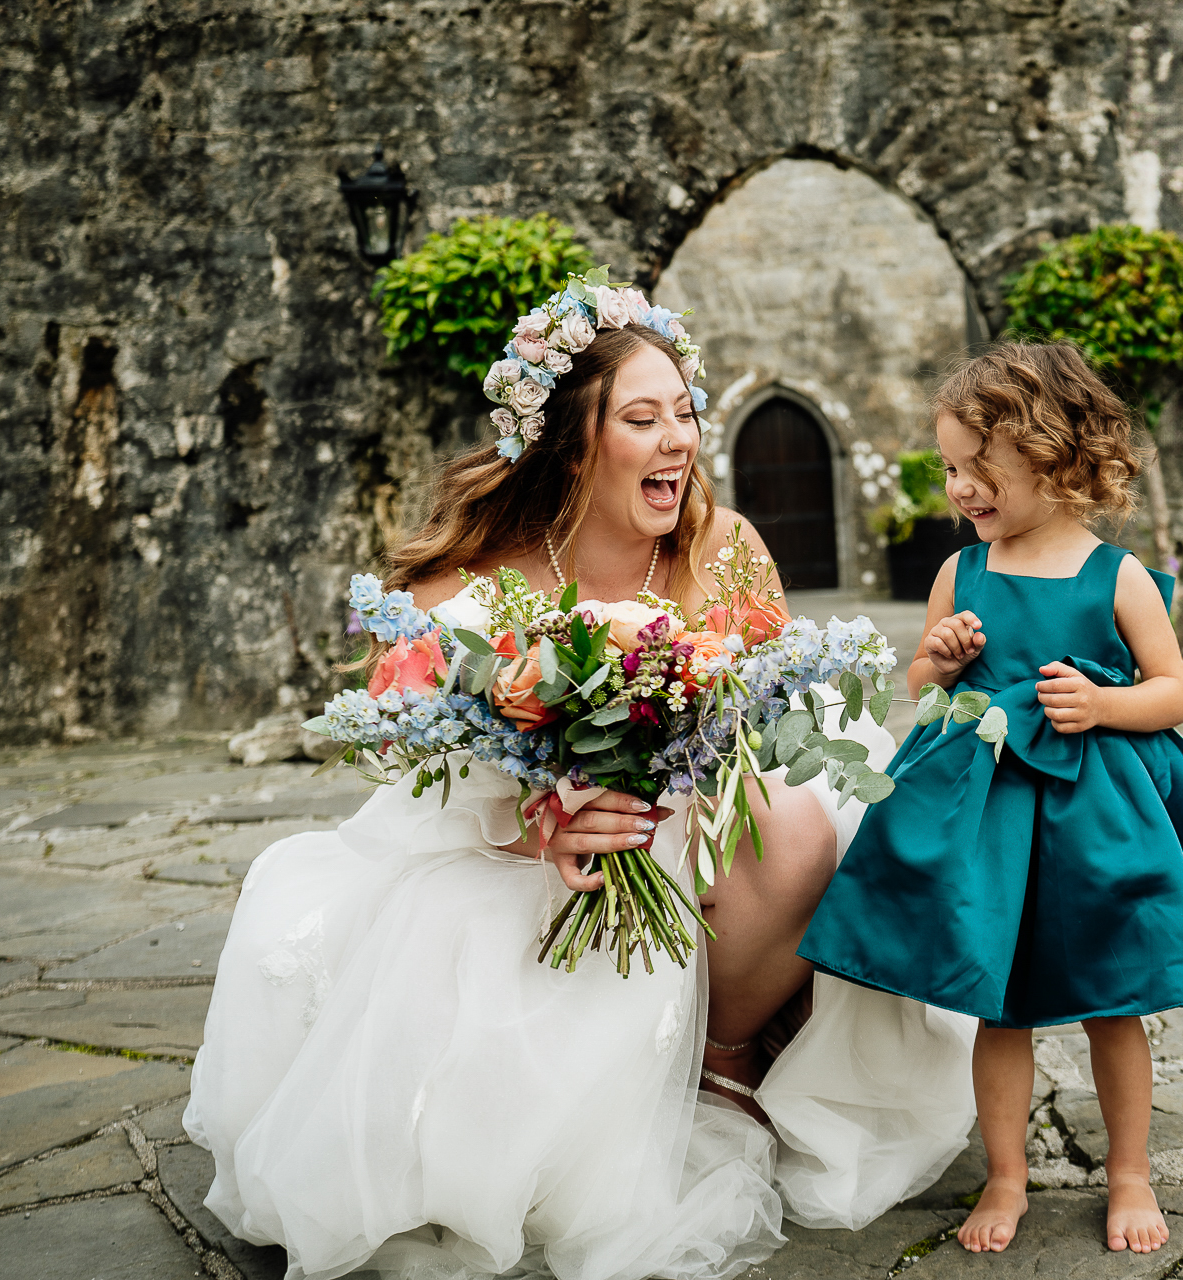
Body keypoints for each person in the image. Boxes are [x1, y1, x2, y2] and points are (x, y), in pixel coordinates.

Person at [185, 282, 975, 1280]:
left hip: (704, 817)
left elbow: (784, 720)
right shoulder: (468, 585)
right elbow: (421, 767)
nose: (677, 438)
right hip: (523, 844)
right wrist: (542, 821)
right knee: (467, 966)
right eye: (641, 419)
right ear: (570, 443)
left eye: (685, 411)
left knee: (798, 822)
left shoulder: (724, 552)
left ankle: (727, 1054)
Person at [798, 341, 1183, 1256]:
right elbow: (932, 688)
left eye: (976, 469)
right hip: (993, 820)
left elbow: (1173, 691)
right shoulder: (963, 573)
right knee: (1004, 1003)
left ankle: (1131, 1173)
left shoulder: (1119, 577)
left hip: (1099, 816)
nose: (959, 490)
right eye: (950, 469)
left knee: (1116, 998)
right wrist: (938, 661)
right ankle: (1006, 1175)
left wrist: (1106, 702)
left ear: (1053, 458)